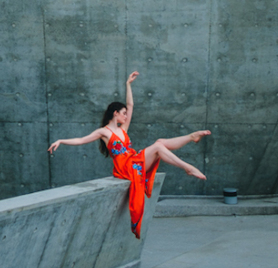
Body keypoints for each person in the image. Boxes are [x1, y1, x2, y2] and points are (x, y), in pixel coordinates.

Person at [48, 71, 210, 238]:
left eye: (126, 113)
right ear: (115, 113)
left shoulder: (123, 129)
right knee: (157, 146)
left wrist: (128, 85)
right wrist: (61, 140)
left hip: (134, 161)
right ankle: (187, 167)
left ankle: (191, 137)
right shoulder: (104, 132)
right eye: (123, 113)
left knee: (160, 142)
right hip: (126, 168)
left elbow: (131, 105)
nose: (126, 116)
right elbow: (81, 140)